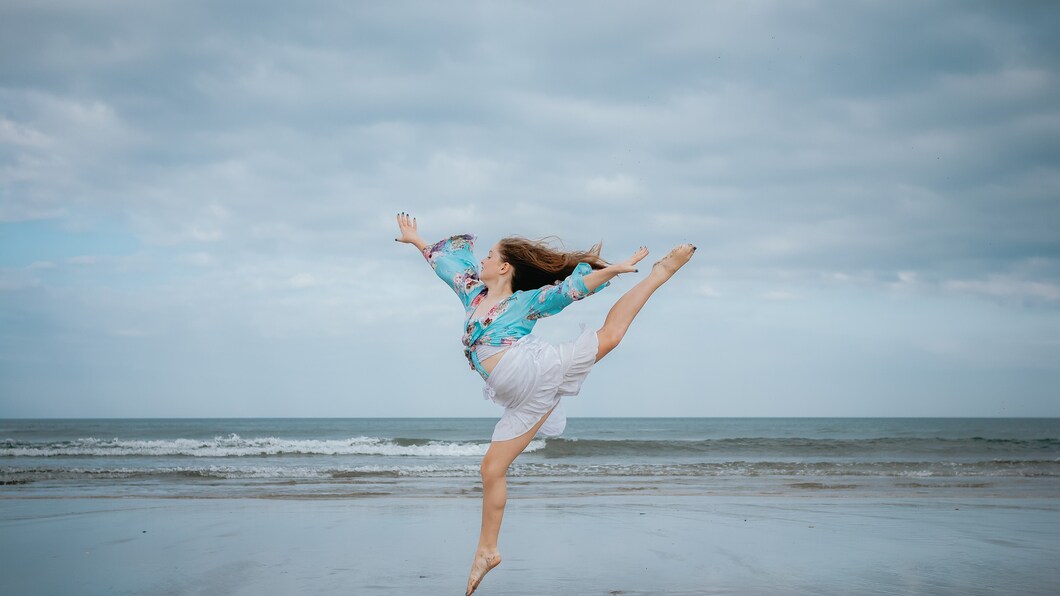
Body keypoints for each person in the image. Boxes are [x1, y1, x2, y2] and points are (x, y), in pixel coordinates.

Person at [394, 212, 695, 595]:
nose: (481, 260)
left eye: (488, 255)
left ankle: (659, 274)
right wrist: (418, 240)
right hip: (518, 399)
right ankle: (487, 550)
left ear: (504, 267)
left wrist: (613, 271)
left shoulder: (526, 302)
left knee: (611, 336)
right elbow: (444, 265)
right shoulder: (471, 291)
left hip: (534, 370)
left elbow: (571, 290)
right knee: (490, 470)